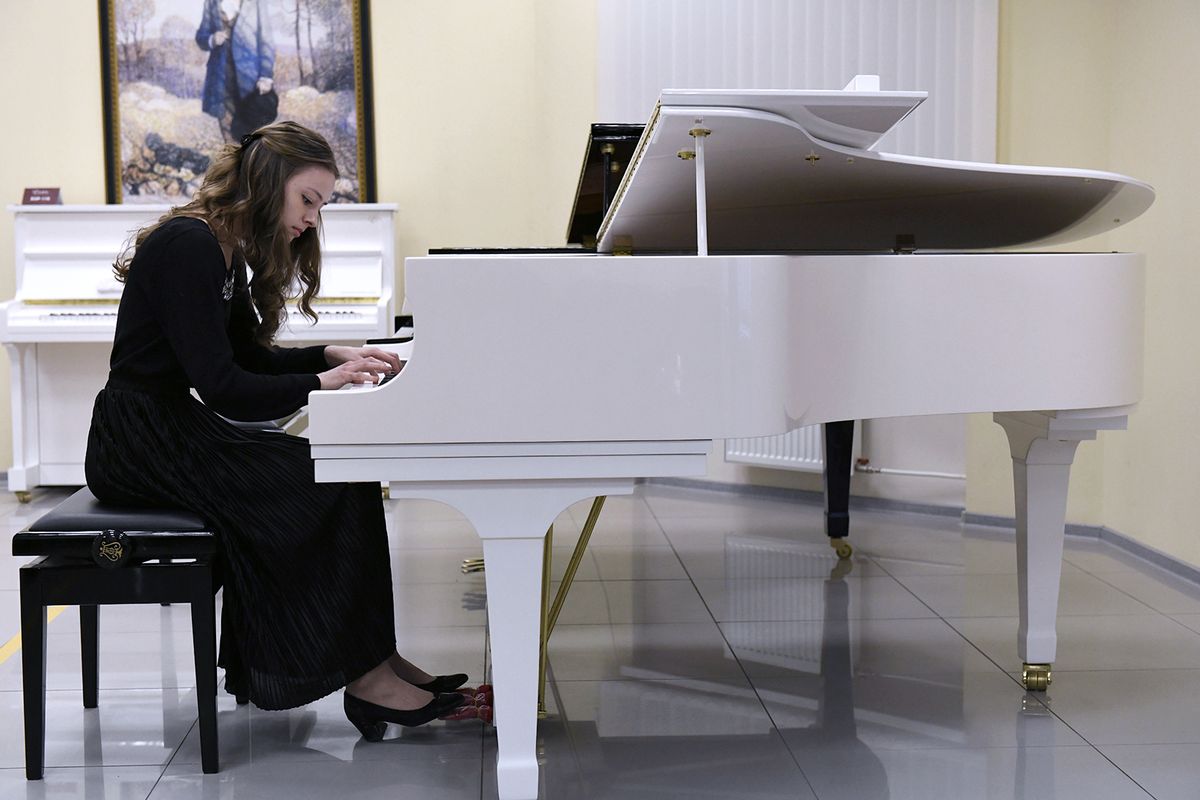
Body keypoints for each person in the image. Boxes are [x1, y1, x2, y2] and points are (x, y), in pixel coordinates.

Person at [85, 121, 466, 738]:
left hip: (169, 429)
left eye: (320, 206)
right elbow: (224, 388)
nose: (312, 219)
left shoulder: (224, 246)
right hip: (139, 442)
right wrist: (320, 383)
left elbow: (248, 360)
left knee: (346, 476)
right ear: (267, 184)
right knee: (325, 483)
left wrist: (328, 356)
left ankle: (376, 658)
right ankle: (366, 677)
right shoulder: (190, 244)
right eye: (307, 200)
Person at [196, 0, 278, 142]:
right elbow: (201, 36)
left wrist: (266, 75)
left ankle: (250, 156)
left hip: (250, 82)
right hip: (221, 80)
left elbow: (266, 40)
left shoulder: (256, 3)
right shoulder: (211, 2)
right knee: (228, 133)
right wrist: (212, 39)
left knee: (251, 133)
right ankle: (233, 156)